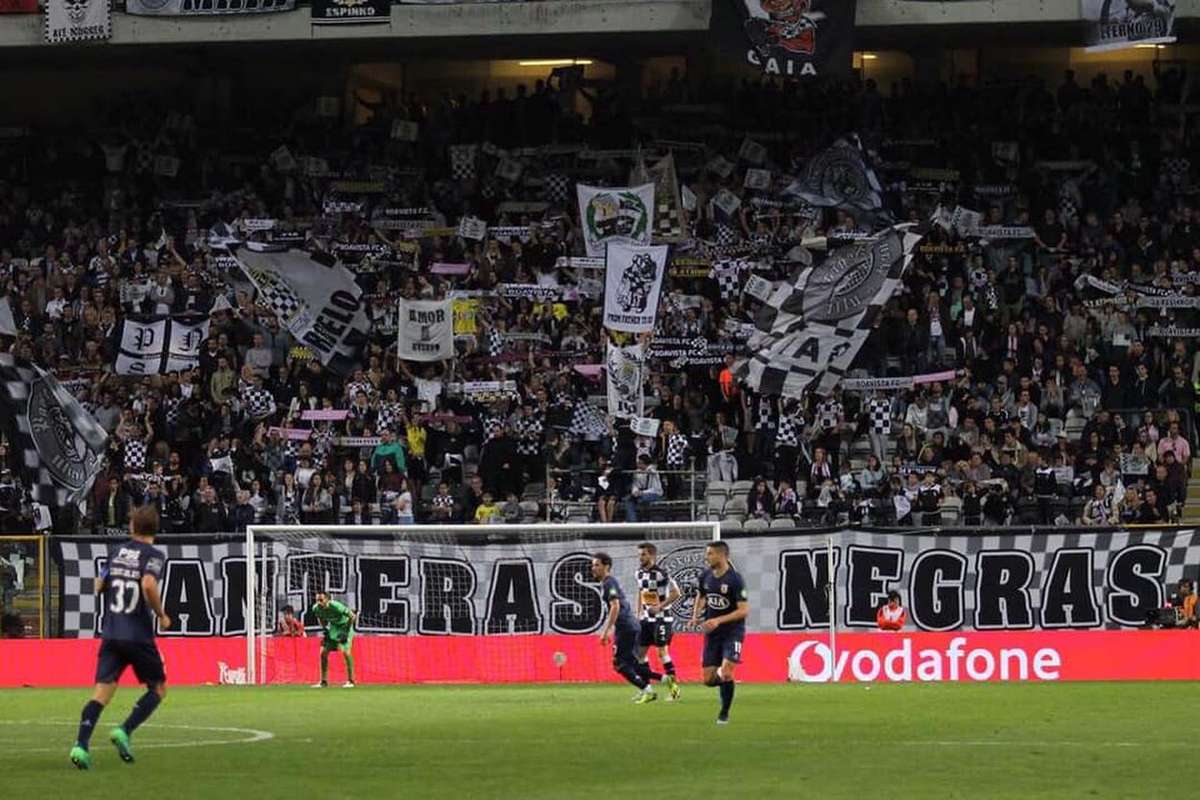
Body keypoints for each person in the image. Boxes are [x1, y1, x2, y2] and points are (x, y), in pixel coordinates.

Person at [70, 506, 172, 770]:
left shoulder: (117, 552)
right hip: (137, 635)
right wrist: (161, 614)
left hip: (112, 632)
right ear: (155, 528)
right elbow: (148, 584)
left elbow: (99, 585)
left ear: (131, 527)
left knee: (101, 693)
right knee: (158, 688)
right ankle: (124, 730)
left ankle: (81, 746)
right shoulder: (153, 555)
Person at [690, 540, 748, 725]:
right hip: (713, 635)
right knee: (708, 679)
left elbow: (743, 610)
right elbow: (701, 595)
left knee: (727, 672)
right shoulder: (705, 576)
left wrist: (718, 620)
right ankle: (727, 683)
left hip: (733, 632)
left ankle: (724, 713)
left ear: (722, 555)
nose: (707, 557)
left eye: (710, 554)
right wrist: (695, 615)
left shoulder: (735, 579)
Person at [592, 552, 655, 703]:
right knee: (631, 663)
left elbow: (615, 606)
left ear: (606, 566)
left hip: (626, 627)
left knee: (619, 664)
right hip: (628, 626)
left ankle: (647, 690)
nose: (593, 568)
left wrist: (606, 631)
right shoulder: (608, 582)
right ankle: (661, 682)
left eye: (596, 565)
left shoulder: (608, 583)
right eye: (592, 565)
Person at [633, 542, 681, 701]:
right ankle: (647, 690)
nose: (641, 557)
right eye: (639, 554)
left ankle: (674, 690)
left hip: (662, 619)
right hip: (646, 619)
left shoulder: (661, 573)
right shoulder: (638, 573)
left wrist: (660, 606)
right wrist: (638, 612)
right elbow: (641, 592)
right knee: (640, 654)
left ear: (652, 555)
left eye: (644, 554)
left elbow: (676, 593)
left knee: (662, 652)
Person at [311, 591, 357, 688]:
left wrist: (346, 631)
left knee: (346, 652)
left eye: (321, 600)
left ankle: (351, 680)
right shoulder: (316, 608)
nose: (319, 602)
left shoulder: (336, 606)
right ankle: (323, 681)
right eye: (317, 600)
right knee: (323, 652)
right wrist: (326, 630)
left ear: (327, 600)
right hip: (333, 628)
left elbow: (353, 616)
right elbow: (320, 618)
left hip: (345, 627)